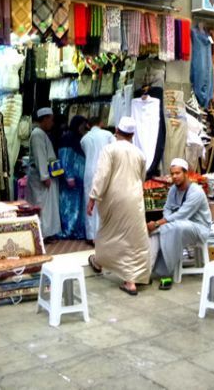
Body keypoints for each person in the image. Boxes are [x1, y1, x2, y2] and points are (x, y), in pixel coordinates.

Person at [86, 116, 150, 296]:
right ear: (132, 134)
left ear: (117, 132)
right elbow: (141, 178)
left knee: (108, 232)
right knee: (133, 238)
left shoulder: (110, 149)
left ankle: (100, 262)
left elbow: (102, 176)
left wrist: (92, 198)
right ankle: (130, 280)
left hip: (114, 198)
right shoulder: (139, 153)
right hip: (134, 199)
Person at [148, 158, 211, 290]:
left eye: (178, 173)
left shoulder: (196, 192)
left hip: (198, 228)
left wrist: (159, 223)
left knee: (173, 227)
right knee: (157, 232)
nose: (175, 177)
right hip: (177, 225)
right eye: (172, 174)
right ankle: (147, 270)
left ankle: (166, 274)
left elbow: (182, 214)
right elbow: (167, 208)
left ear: (186, 173)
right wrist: (163, 222)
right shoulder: (173, 190)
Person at [27, 108, 61, 240]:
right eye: (51, 119)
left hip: (43, 175)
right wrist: (44, 176)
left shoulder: (40, 133)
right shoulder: (37, 134)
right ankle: (42, 234)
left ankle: (46, 233)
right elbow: (40, 156)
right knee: (41, 206)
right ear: (45, 119)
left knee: (46, 206)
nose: (52, 123)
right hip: (40, 177)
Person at [80, 116, 114, 243]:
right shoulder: (108, 135)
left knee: (89, 201)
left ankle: (91, 235)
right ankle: (103, 234)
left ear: (88, 125)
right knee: (104, 201)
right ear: (101, 123)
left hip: (89, 171)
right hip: (104, 169)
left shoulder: (84, 139)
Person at [58, 116, 88, 239]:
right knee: (69, 206)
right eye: (82, 125)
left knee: (77, 206)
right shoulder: (68, 138)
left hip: (78, 179)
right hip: (71, 180)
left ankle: (75, 230)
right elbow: (65, 158)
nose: (84, 128)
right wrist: (69, 176)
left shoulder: (77, 138)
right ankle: (68, 230)